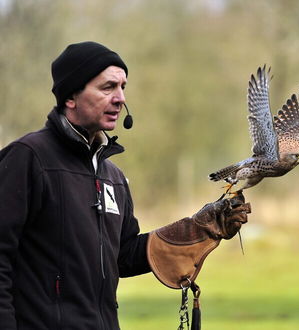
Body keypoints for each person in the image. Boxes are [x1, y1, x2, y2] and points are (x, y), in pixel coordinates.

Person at [0, 41, 250, 330]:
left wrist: (194, 230)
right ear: (71, 96)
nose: (120, 99)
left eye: (123, 87)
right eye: (107, 88)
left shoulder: (113, 176)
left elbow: (122, 255)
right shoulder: (29, 159)